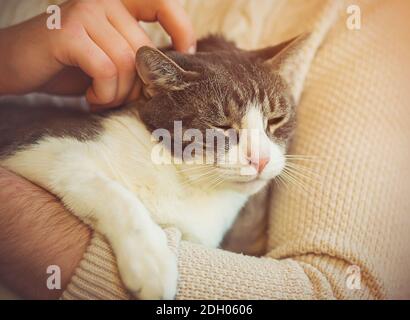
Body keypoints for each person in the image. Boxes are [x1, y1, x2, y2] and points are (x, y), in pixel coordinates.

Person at [1, 0, 410, 300]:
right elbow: (44, 156)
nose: (261, 158)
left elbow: (339, 290)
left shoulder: (369, 21)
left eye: (274, 125)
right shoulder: (139, 140)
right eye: (222, 129)